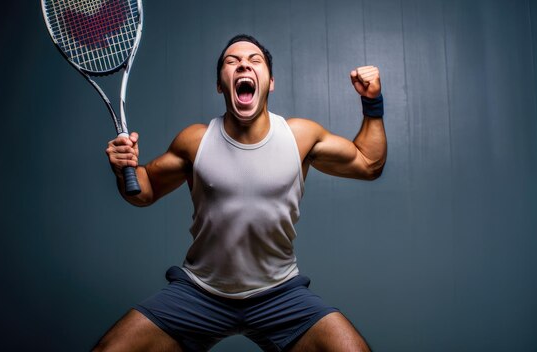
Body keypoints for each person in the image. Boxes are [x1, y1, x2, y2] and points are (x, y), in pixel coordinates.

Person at [96, 34, 386, 352]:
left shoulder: (300, 137)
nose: (243, 64)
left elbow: (369, 164)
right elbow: (145, 190)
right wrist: (122, 168)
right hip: (200, 292)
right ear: (221, 85)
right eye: (232, 61)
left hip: (279, 294)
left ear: (270, 82)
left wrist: (372, 103)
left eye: (254, 60)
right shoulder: (195, 141)